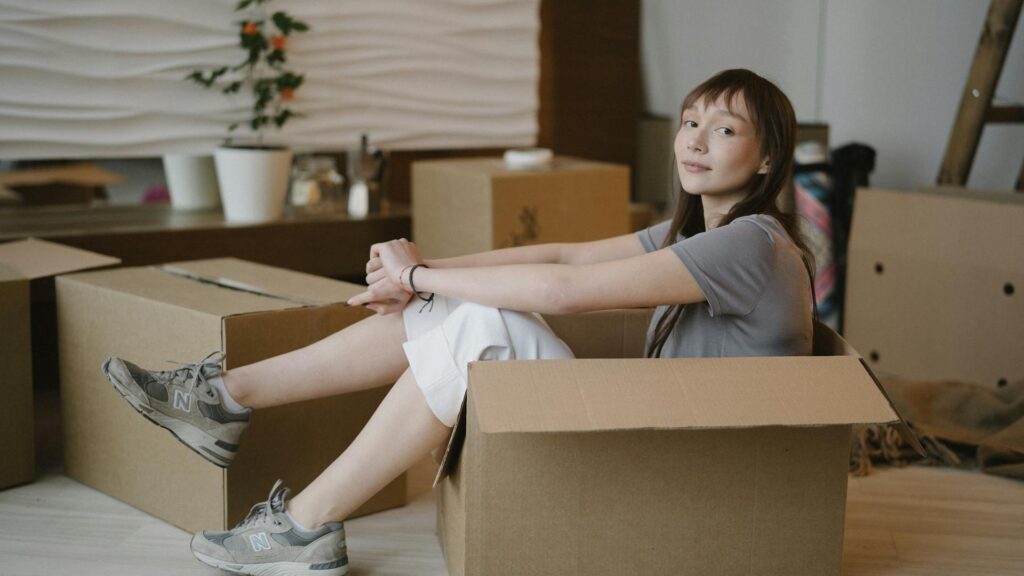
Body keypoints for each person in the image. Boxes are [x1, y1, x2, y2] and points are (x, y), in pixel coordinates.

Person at [101, 68, 816, 576]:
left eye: (724, 129)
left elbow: (566, 290)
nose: (695, 138)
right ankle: (224, 399)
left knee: (478, 327)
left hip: (691, 475)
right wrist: (422, 275)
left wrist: (416, 276)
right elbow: (562, 250)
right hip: (655, 440)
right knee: (455, 309)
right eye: (690, 120)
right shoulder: (695, 235)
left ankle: (303, 528)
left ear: (767, 157)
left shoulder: (750, 244)